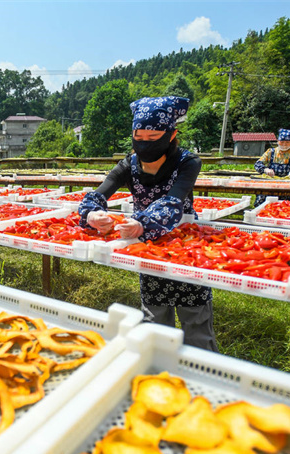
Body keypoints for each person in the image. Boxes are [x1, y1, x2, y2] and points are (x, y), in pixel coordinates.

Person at [78, 96, 218, 352]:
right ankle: (157, 369)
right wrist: (92, 214)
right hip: (147, 246)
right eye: (139, 136)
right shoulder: (127, 165)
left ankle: (203, 374)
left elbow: (173, 202)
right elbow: (97, 194)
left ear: (172, 134)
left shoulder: (188, 162)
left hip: (185, 245)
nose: (145, 143)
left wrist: (143, 222)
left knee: (195, 318)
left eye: (153, 138)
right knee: (154, 317)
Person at [253, 128, 290, 206]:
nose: (284, 145)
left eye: (287, 142)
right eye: (282, 142)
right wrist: (265, 169)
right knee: (263, 202)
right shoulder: (270, 152)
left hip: (287, 185)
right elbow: (258, 164)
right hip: (270, 184)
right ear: (277, 141)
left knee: (286, 205)